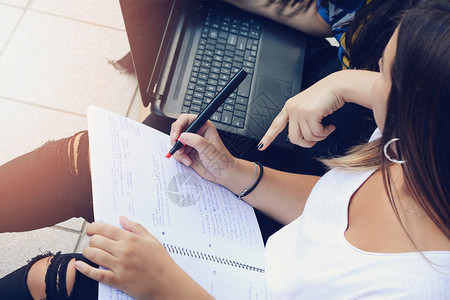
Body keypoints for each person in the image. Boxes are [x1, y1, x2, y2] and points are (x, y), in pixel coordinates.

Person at [1, 0, 449, 298]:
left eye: (382, 76)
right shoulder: (405, 146)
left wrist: (167, 285)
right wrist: (234, 172)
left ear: (424, 115)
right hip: (254, 266)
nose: (368, 87)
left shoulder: (419, 285)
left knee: (60, 276)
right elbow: (337, 211)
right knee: (86, 160)